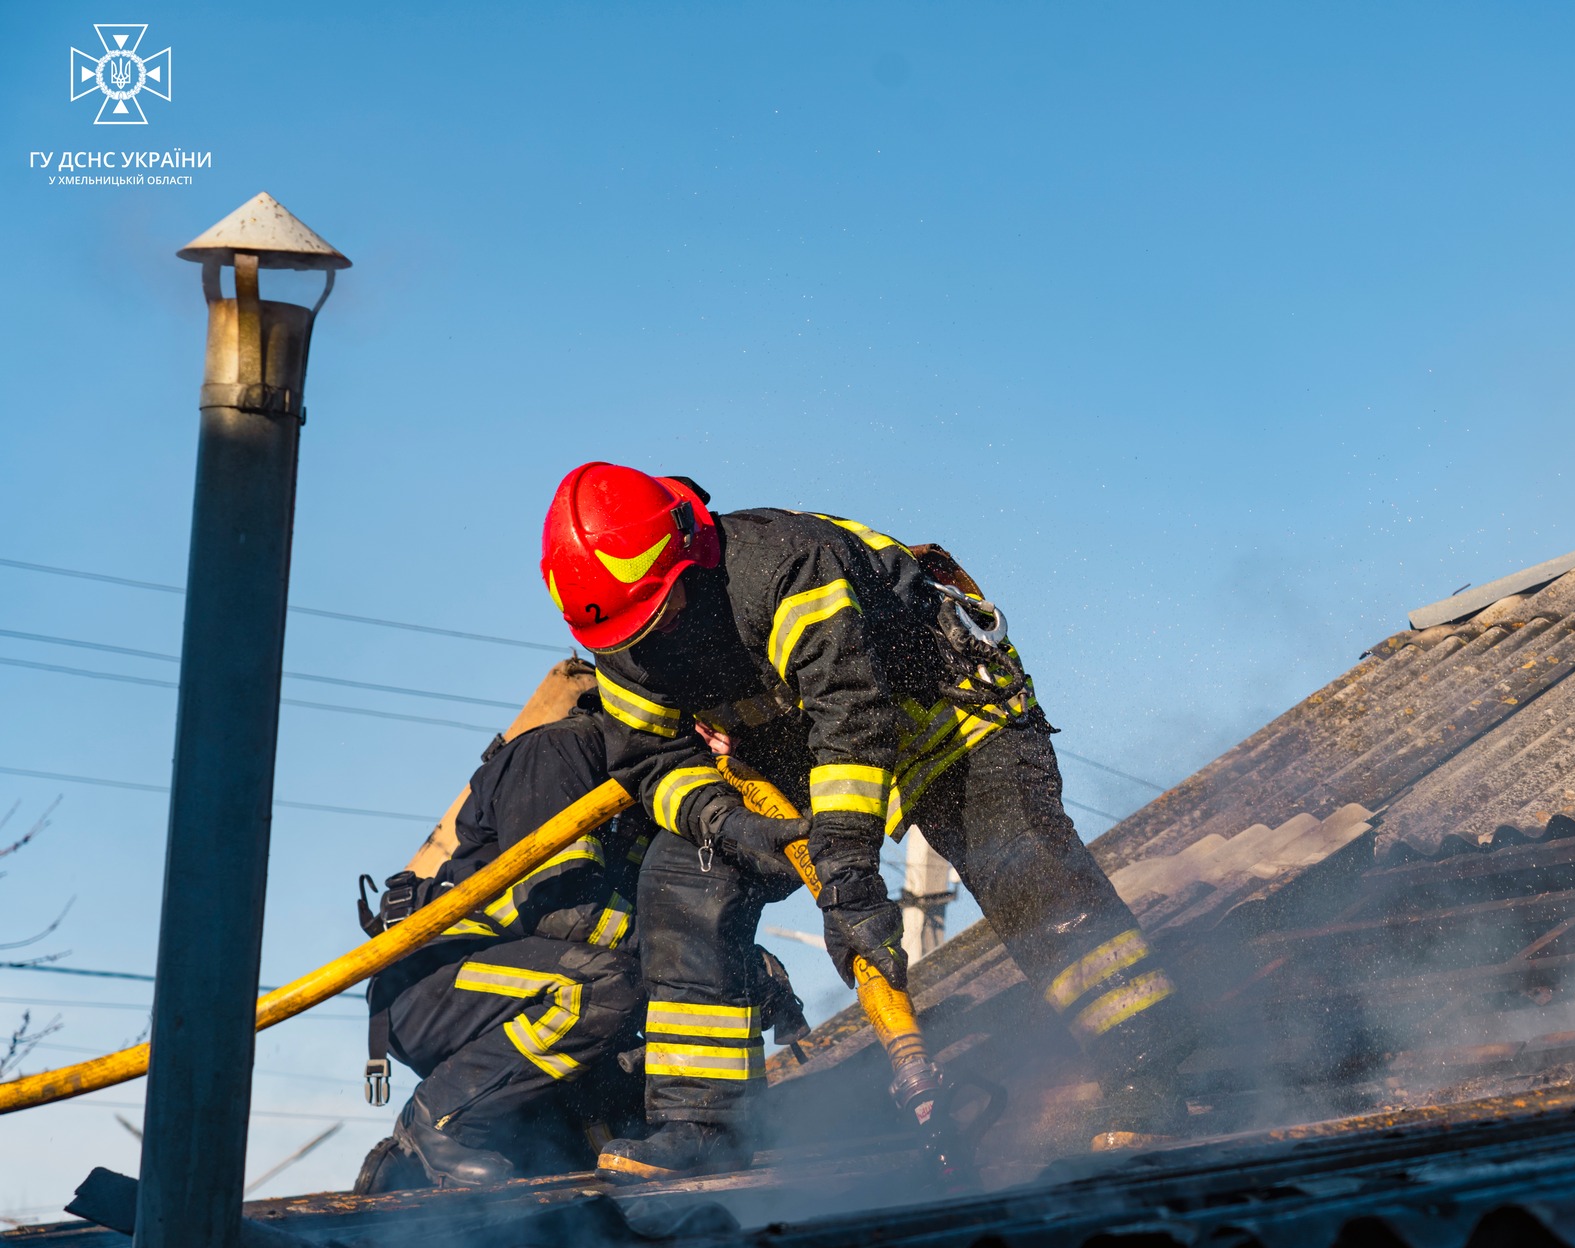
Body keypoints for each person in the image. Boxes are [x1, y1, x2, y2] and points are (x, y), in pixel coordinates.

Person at [537, 463, 1197, 1181]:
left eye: (659, 612)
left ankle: (1152, 1066)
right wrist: (729, 826)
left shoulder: (783, 566)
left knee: (1020, 860)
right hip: (802, 763)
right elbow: (651, 763)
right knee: (683, 880)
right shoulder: (622, 636)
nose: (652, 638)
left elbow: (851, 719)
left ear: (687, 551)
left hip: (943, 718)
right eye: (634, 629)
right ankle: (703, 1121)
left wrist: (848, 878)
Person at [353, 690, 809, 1189]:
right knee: (604, 985)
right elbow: (561, 910)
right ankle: (439, 1120)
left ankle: (520, 1133)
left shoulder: (650, 788)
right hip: (435, 983)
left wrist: (721, 965)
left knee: (627, 1120)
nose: (721, 742)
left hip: (528, 988)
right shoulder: (558, 752)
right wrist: (715, 960)